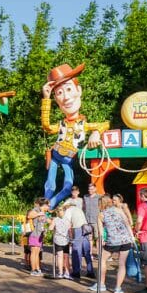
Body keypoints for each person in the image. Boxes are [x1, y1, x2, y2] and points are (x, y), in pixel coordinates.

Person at [41, 63, 109, 209]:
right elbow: (46, 127)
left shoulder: (83, 125)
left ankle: (48, 206)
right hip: (55, 155)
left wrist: (96, 133)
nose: (65, 97)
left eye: (69, 89)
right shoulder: (61, 124)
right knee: (50, 184)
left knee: (67, 186)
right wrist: (46, 98)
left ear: (78, 90)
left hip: (68, 159)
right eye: (59, 93)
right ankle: (43, 208)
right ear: (57, 101)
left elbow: (105, 124)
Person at [90, 195, 133, 293]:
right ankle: (117, 289)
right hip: (126, 240)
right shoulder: (119, 210)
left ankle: (101, 284)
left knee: (102, 260)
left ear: (101, 204)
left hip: (112, 241)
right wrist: (132, 238)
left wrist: (102, 241)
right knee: (122, 264)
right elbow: (127, 224)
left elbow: (101, 233)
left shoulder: (101, 214)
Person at [63, 199, 87, 279]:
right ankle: (88, 270)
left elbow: (66, 222)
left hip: (76, 229)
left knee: (75, 250)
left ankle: (76, 272)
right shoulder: (78, 209)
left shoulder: (69, 210)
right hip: (85, 229)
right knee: (82, 250)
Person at [26, 198, 50, 276]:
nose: (49, 207)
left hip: (40, 236)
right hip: (34, 234)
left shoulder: (44, 213)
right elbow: (29, 215)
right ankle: (33, 270)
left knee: (37, 253)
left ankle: (37, 269)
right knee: (33, 252)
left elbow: (49, 221)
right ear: (44, 205)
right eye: (48, 205)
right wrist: (38, 214)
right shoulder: (36, 210)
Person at [49, 205, 72, 279]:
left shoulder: (55, 219)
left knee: (60, 257)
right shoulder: (68, 219)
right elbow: (70, 230)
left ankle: (61, 273)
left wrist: (52, 225)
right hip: (66, 240)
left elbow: (50, 228)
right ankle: (67, 273)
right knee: (66, 257)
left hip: (58, 240)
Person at [83, 183, 101, 251]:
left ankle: (99, 253)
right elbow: (83, 208)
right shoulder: (85, 197)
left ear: (95, 189)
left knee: (97, 238)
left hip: (96, 221)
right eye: (89, 189)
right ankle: (90, 253)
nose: (90, 190)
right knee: (89, 238)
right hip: (87, 221)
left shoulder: (99, 197)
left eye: (92, 189)